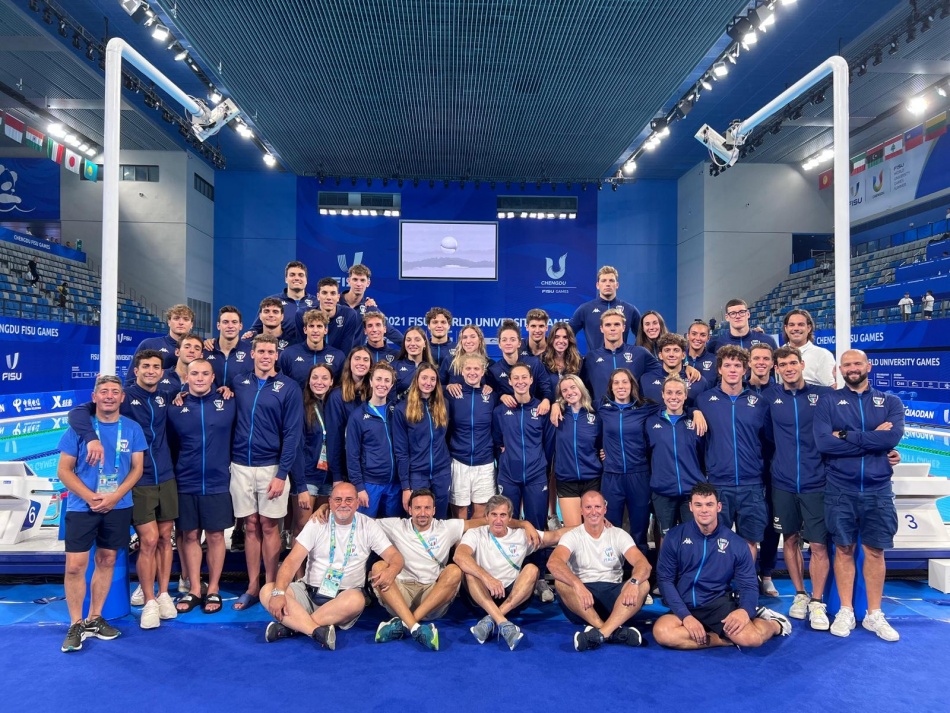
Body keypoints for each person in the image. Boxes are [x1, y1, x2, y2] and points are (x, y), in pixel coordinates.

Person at [67, 350, 180, 626]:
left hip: (165, 475)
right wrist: (91, 437)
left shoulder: (168, 393)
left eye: (156, 367)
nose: (151, 371)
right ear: (136, 370)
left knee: (165, 538)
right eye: (146, 367)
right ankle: (149, 597)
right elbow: (79, 412)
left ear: (162, 372)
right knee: (149, 540)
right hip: (138, 481)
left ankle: (164, 593)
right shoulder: (125, 396)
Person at [814, 349, 905, 641]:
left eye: (857, 363)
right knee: (843, 549)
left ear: (868, 366)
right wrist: (872, 440)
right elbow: (824, 443)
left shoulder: (890, 402)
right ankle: (845, 610)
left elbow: (891, 438)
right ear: (839, 369)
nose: (852, 369)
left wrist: (847, 434)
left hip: (878, 488)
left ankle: (874, 614)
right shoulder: (829, 401)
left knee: (875, 551)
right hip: (841, 487)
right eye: (847, 365)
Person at [57, 375, 147, 652]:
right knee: (75, 566)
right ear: (94, 397)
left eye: (115, 392)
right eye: (104, 391)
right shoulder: (78, 429)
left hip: (117, 506)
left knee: (107, 559)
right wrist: (90, 496)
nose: (109, 396)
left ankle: (95, 618)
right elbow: (64, 470)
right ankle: (76, 623)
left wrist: (115, 496)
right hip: (81, 506)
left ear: (122, 397)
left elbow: (137, 469)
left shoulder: (132, 428)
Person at [260, 482, 403, 650]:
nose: (343, 504)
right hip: (308, 592)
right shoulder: (317, 522)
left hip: (343, 598)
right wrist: (278, 593)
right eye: (338, 499)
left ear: (358, 503)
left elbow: (395, 557)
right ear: (330, 501)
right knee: (267, 591)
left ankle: (293, 626)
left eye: (349, 500)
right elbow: (291, 561)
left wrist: (391, 571)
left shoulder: (368, 526)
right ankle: (315, 630)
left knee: (357, 600)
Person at [652, 483, 792, 649]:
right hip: (685, 604)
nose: (704, 510)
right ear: (690, 507)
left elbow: (748, 584)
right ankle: (723, 639)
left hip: (717, 604)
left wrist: (744, 611)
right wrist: (685, 616)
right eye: (698, 505)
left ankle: (776, 624)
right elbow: (665, 580)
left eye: (709, 504)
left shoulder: (736, 543)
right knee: (663, 632)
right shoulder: (675, 537)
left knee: (751, 639)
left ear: (718, 507)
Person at [230, 335, 303, 611]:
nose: (265, 355)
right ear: (252, 354)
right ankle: (251, 586)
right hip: (240, 465)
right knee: (250, 524)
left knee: (270, 526)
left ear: (276, 355)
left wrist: (282, 473)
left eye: (270, 351)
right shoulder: (238, 383)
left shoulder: (288, 388)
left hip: (272, 467)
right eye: (260, 351)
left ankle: (271, 584)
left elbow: (292, 434)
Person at [767, 346, 833, 630]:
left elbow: (851, 415)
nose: (789, 368)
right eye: (783, 364)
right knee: (790, 540)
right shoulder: (770, 397)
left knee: (818, 544)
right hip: (782, 482)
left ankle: (818, 601)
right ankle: (800, 594)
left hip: (815, 481)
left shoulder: (824, 395)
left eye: (793, 362)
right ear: (777, 369)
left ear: (802, 364)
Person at [166, 358, 236, 615]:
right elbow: (169, 445)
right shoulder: (176, 407)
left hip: (218, 481)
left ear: (212, 377)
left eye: (205, 374)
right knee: (191, 535)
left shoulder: (228, 402)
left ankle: (214, 587)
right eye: (194, 373)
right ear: (187, 376)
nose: (199, 378)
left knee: (216, 536)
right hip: (185, 480)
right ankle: (195, 588)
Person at [454, 494, 566, 650]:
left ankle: (491, 619)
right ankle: (503, 623)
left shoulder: (522, 535)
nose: (498, 520)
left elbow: (556, 536)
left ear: (510, 518)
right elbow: (459, 556)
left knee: (532, 569)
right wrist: (487, 578)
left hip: (513, 599)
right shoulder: (475, 533)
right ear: (486, 516)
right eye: (494, 515)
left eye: (502, 515)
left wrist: (589, 524)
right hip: (481, 598)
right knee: (469, 572)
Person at [369, 489, 474, 650]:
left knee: (454, 571)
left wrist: (523, 524)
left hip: (431, 597)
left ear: (434, 510)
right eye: (417, 508)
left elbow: (483, 522)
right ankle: (416, 627)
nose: (422, 513)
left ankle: (406, 623)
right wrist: (325, 507)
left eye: (427, 508)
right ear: (409, 510)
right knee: (378, 567)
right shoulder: (396, 525)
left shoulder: (446, 527)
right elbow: (363, 521)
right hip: (400, 595)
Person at [548, 491, 652, 651]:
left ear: (605, 509)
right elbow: (553, 563)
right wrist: (577, 585)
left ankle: (600, 633)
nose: (593, 511)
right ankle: (612, 630)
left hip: (614, 599)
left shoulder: (618, 534)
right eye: (588, 507)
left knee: (643, 584)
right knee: (560, 582)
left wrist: (633, 582)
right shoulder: (572, 536)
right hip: (582, 601)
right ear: (581, 510)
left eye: (597, 506)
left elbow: (643, 564)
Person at [695, 346, 771, 563]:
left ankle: (747, 586)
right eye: (727, 365)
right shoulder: (704, 400)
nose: (732, 370)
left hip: (751, 484)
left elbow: (767, 442)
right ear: (719, 369)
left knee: (750, 540)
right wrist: (695, 411)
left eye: (737, 365)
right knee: (717, 540)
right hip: (719, 483)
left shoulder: (759, 403)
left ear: (745, 369)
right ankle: (720, 587)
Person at [598, 368, 660, 553]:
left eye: (625, 381)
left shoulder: (646, 408)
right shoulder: (602, 407)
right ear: (611, 387)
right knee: (611, 526)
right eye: (616, 382)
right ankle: (613, 568)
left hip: (639, 475)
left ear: (632, 384)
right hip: (612, 476)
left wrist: (695, 411)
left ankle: (641, 572)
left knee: (639, 527)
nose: (621, 386)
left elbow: (675, 407)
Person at [492, 362, 555, 529]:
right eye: (516, 378)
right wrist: (506, 459)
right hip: (508, 476)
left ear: (531, 380)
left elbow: (548, 444)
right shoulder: (500, 411)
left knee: (536, 526)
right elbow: (497, 441)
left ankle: (537, 557)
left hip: (536, 476)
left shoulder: (542, 410)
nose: (520, 381)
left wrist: (542, 465)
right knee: (509, 525)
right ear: (510, 382)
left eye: (524, 377)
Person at [646, 375, 706, 542]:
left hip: (691, 491)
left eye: (679, 393)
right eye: (670, 393)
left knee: (693, 538)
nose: (674, 397)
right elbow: (642, 451)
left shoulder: (695, 422)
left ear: (685, 395)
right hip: (663, 491)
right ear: (663, 395)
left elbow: (704, 453)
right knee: (666, 538)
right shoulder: (650, 422)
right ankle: (666, 569)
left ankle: (691, 569)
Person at [393, 365, 452, 518]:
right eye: (424, 378)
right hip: (416, 475)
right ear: (417, 380)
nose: (428, 382)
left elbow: (446, 436)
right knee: (418, 519)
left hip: (442, 473)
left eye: (433, 379)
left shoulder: (444, 404)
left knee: (440, 520)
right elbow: (401, 451)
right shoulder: (402, 409)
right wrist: (406, 487)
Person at [345, 361, 402, 517]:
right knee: (365, 532)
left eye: (387, 380)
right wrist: (359, 487)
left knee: (390, 533)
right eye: (378, 379)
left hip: (395, 485)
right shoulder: (358, 416)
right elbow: (352, 455)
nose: (382, 384)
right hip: (370, 485)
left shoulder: (396, 411)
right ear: (371, 381)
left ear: (391, 385)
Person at [445, 354, 497, 520]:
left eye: (476, 369)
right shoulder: (452, 395)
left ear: (483, 372)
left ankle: (473, 546)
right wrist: (447, 386)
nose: (472, 372)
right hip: (459, 461)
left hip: (485, 462)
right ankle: (460, 545)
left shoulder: (491, 396)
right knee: (459, 515)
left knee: (481, 515)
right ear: (461, 370)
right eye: (468, 368)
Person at [580, 309, 664, 404]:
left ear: (623, 327)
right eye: (608, 325)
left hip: (633, 414)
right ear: (601, 328)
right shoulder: (591, 358)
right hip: (602, 415)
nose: (612, 328)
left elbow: (664, 372)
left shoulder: (640, 353)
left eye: (617, 324)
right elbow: (579, 387)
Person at [553, 375, 603, 527]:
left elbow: (603, 442)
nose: (569, 392)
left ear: (581, 388)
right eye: (565, 390)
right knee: (573, 532)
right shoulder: (557, 415)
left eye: (573, 387)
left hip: (592, 478)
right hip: (566, 480)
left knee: (594, 530)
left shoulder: (595, 413)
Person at [325, 346, 372, 482]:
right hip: (347, 471)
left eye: (365, 360)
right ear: (349, 362)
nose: (361, 363)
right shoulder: (337, 396)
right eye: (357, 359)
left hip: (373, 470)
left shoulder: (375, 395)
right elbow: (334, 439)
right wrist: (337, 475)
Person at [569, 265, 641, 350]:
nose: (607, 284)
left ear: (617, 285)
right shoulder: (585, 309)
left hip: (622, 362)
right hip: (594, 362)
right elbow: (567, 333)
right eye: (603, 281)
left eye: (611, 281)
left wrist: (634, 354)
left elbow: (643, 335)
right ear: (597, 285)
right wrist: (574, 357)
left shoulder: (629, 309)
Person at [487, 320, 553, 411]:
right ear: (499, 344)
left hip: (534, 414)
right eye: (504, 340)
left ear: (519, 343)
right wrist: (501, 396)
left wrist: (546, 400)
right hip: (509, 418)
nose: (508, 343)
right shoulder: (494, 370)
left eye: (512, 339)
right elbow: (492, 394)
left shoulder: (535, 363)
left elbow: (546, 388)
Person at [246, 261, 316, 345]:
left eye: (301, 275)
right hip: (279, 350)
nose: (297, 278)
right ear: (286, 279)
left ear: (306, 280)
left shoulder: (316, 302)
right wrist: (249, 334)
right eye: (292, 275)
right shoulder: (272, 301)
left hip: (307, 352)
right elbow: (256, 328)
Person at [340, 263, 405, 347]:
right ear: (349, 281)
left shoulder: (369, 307)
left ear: (368, 283)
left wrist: (410, 346)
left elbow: (391, 332)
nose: (358, 284)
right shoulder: (334, 303)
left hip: (355, 358)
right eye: (355, 279)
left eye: (362, 280)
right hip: (333, 357)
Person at [278, 309, 346, 387]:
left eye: (319, 326)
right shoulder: (288, 354)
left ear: (325, 330)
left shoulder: (338, 356)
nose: (315, 330)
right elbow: (281, 385)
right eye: (311, 326)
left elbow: (340, 387)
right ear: (305, 330)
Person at [130, 304, 195, 373]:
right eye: (176, 318)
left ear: (191, 324)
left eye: (186, 319)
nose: (181, 323)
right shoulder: (149, 345)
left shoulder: (201, 348)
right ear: (169, 322)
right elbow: (131, 379)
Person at [782, 309, 835, 387]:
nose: (796, 328)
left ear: (809, 328)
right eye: (791, 325)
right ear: (786, 328)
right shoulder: (778, 353)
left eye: (801, 324)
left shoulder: (822, 355)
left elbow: (832, 387)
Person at [204, 306, 254, 388]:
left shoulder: (250, 353)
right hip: (209, 400)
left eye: (234, 322)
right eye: (225, 322)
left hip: (238, 400)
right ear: (218, 325)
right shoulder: (206, 350)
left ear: (240, 326)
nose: (230, 326)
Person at [652, 333, 708, 405]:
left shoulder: (699, 382)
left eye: (676, 350)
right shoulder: (646, 380)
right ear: (660, 355)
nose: (671, 354)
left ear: (683, 355)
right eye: (667, 350)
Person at [708, 299, 777, 353]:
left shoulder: (767, 340)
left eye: (741, 312)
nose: (738, 316)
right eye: (733, 313)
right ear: (727, 317)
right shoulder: (716, 343)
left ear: (748, 314)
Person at [316, 277, 362, 352]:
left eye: (333, 293)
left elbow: (346, 350)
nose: (328, 297)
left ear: (338, 297)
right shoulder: (305, 315)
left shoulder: (349, 315)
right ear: (318, 296)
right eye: (324, 293)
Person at [540, 321, 584, 398]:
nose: (561, 341)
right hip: (547, 406)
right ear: (551, 339)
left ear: (569, 340)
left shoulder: (578, 360)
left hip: (570, 407)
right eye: (557, 337)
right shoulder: (542, 360)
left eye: (565, 337)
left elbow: (582, 389)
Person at [391, 326, 436, 398]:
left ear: (424, 343)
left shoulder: (432, 369)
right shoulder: (394, 367)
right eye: (408, 340)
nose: (412, 343)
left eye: (417, 340)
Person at [684, 320, 717, 385]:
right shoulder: (678, 358)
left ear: (708, 338)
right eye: (694, 334)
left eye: (703, 335)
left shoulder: (715, 361)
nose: (698, 338)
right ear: (688, 336)